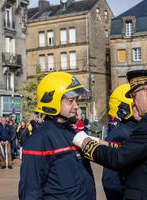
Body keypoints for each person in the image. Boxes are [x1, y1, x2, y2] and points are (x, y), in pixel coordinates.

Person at [73, 69, 147, 200]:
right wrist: (106, 144)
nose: (133, 102)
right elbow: (141, 151)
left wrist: (86, 144)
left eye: (134, 96)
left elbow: (119, 158)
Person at [19, 72, 96, 200]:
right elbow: (30, 192)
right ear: (52, 101)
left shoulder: (72, 133)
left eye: (76, 100)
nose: (76, 106)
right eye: (70, 101)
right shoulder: (39, 140)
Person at [101, 83, 140, 200]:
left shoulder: (139, 129)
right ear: (125, 108)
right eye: (136, 105)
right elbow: (111, 181)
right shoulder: (119, 135)